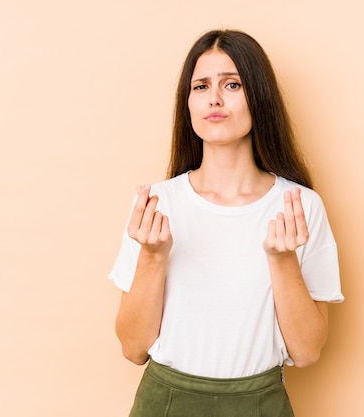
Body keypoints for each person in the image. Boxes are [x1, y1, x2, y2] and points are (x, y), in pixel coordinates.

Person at [108, 29, 344, 417]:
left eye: (232, 84)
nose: (214, 98)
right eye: (200, 86)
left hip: (260, 404)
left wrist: (282, 261)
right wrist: (152, 256)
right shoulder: (156, 204)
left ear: (259, 97)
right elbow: (133, 349)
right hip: (164, 404)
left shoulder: (299, 207)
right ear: (188, 103)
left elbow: (306, 352)